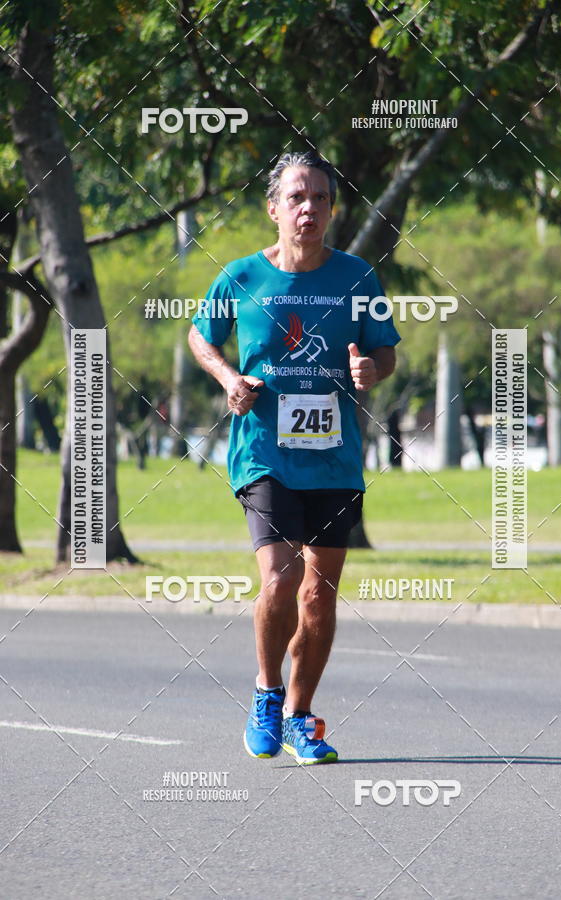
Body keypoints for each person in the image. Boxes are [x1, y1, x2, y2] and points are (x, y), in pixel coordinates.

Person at [188, 150, 400, 764]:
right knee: (279, 579)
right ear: (274, 208)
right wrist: (229, 377)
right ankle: (266, 692)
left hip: (334, 459)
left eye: (322, 199)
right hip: (264, 453)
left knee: (318, 595)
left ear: (332, 209)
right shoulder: (241, 278)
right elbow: (202, 335)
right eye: (298, 198)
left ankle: (301, 718)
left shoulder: (358, 278)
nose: (310, 209)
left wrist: (370, 368)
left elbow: (386, 353)